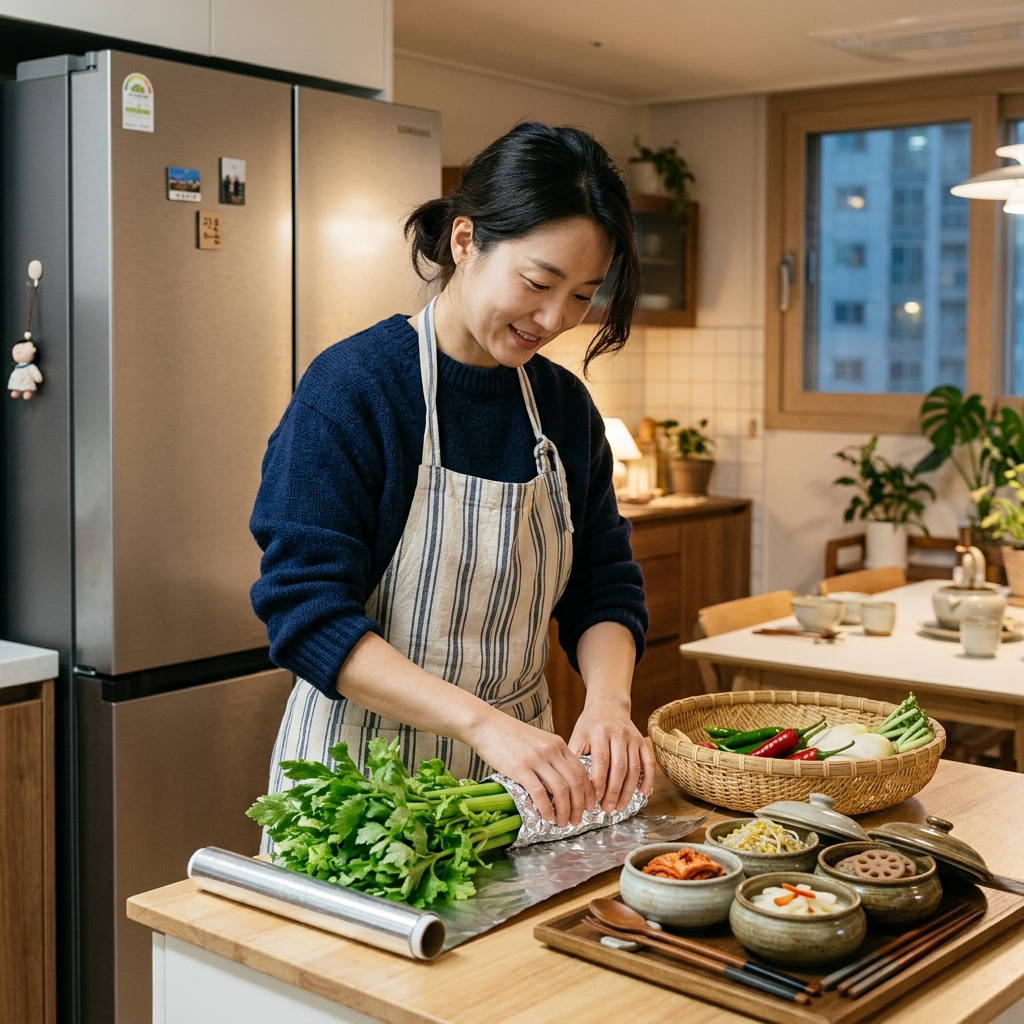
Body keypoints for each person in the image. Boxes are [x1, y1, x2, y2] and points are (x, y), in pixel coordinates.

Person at [251, 121, 655, 832]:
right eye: (538, 283)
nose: (554, 319)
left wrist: (608, 705)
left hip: (520, 792)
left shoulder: (561, 408)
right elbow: (306, 614)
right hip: (358, 795)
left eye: (583, 295)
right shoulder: (355, 390)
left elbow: (603, 583)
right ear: (465, 242)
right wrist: (484, 726)